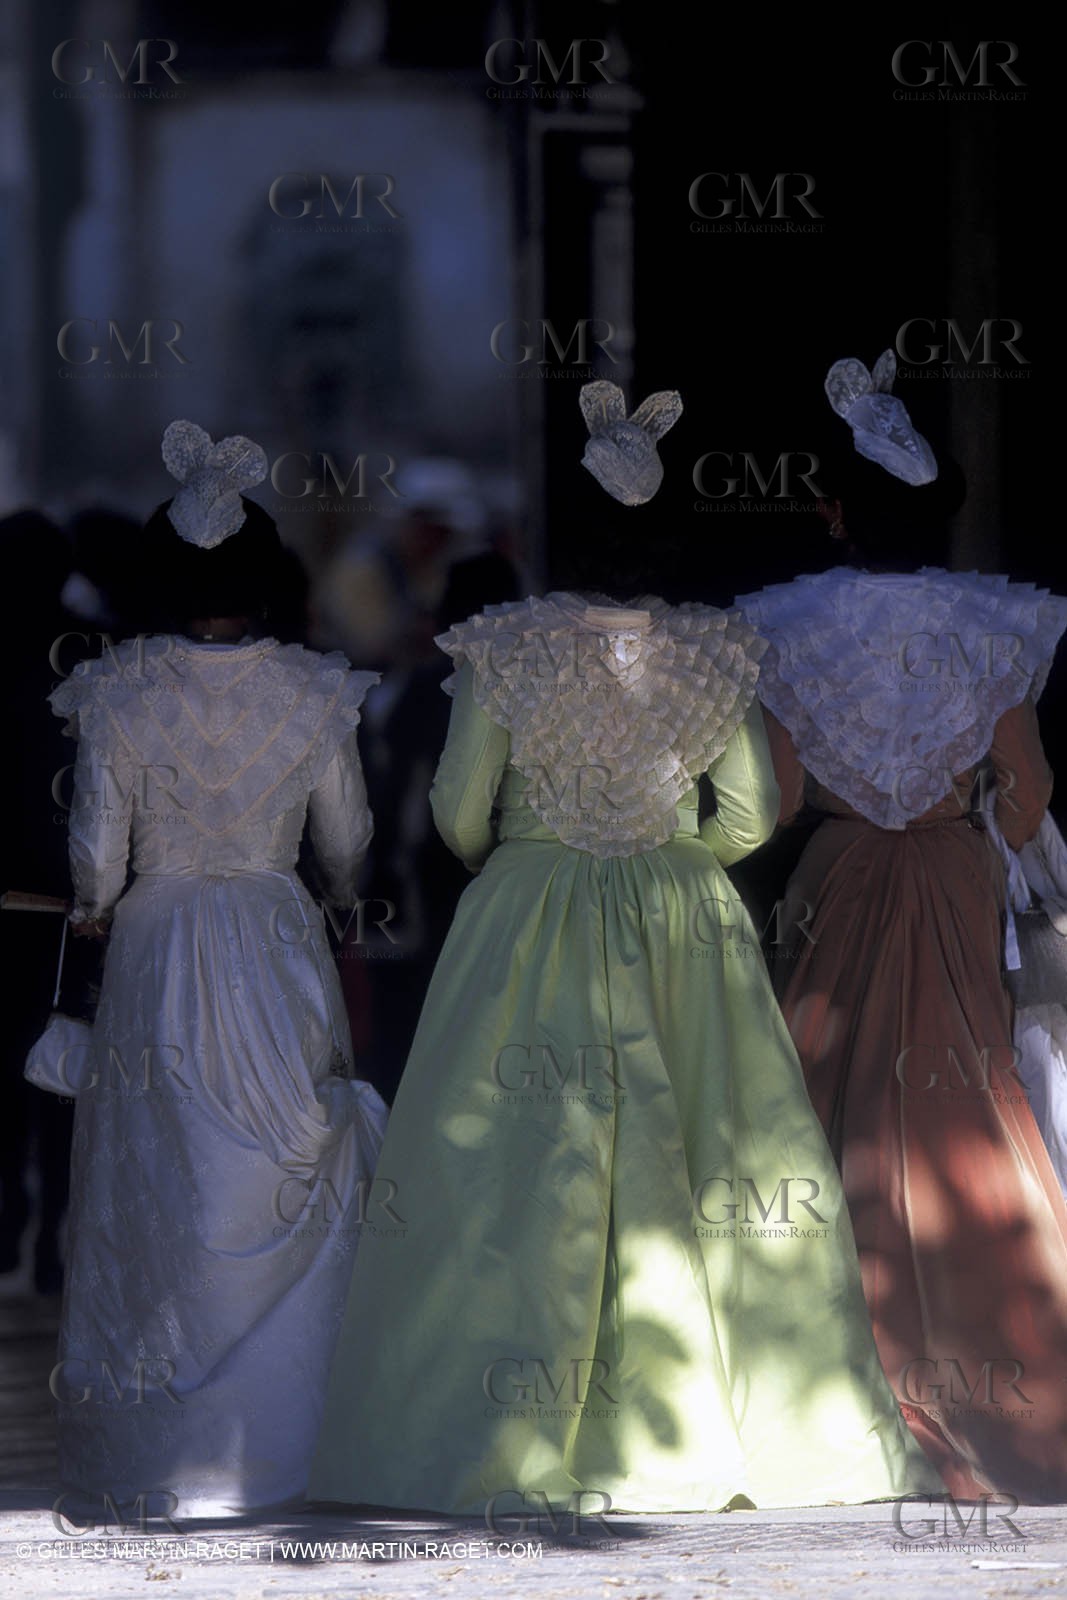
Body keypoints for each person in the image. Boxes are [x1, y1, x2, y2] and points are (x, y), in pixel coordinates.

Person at [309, 531, 941, 1515]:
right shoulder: (713, 654)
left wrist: (523, 852)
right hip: (678, 916)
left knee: (513, 1165)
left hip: (528, 909)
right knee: (704, 1153)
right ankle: (711, 1418)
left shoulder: (506, 650)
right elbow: (753, 811)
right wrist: (668, 855)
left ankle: (500, 1424)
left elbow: (457, 809)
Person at [736, 350, 1067, 1501]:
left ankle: (830, 1386)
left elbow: (771, 803)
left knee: (829, 1102)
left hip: (834, 873)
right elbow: (1023, 792)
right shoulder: (990, 623)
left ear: (833, 510)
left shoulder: (785, 623)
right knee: (966, 1108)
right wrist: (975, 817)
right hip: (947, 871)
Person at [48, 421, 388, 1519]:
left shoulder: (118, 691)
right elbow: (346, 840)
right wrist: (324, 895)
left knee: (164, 1183)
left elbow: (95, 852)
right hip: (274, 936)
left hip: (157, 946)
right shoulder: (312, 690)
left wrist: (99, 911)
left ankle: (171, 1450)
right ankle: (291, 1443)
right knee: (285, 1168)